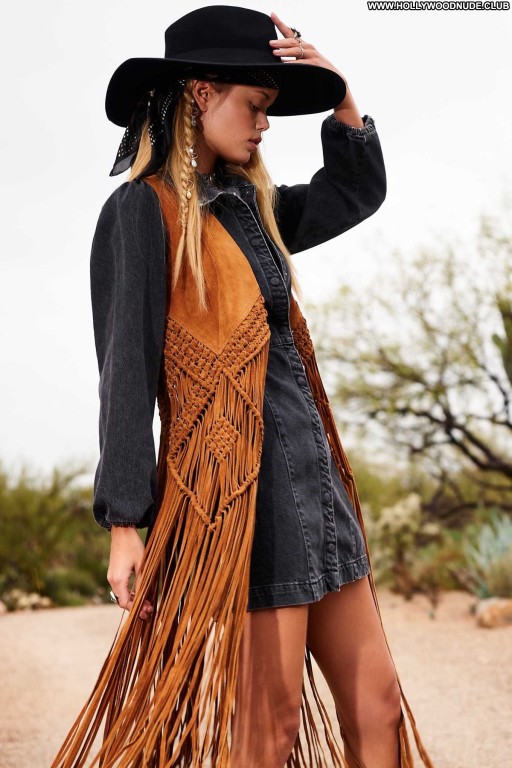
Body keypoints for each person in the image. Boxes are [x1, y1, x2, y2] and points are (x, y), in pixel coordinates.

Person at [52, 6, 435, 768]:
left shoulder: (253, 209)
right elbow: (124, 371)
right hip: (246, 501)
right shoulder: (142, 210)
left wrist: (340, 93)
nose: (264, 126)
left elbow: (354, 191)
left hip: (318, 487)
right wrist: (125, 521)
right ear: (200, 93)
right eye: (255, 107)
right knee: (271, 724)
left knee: (378, 703)